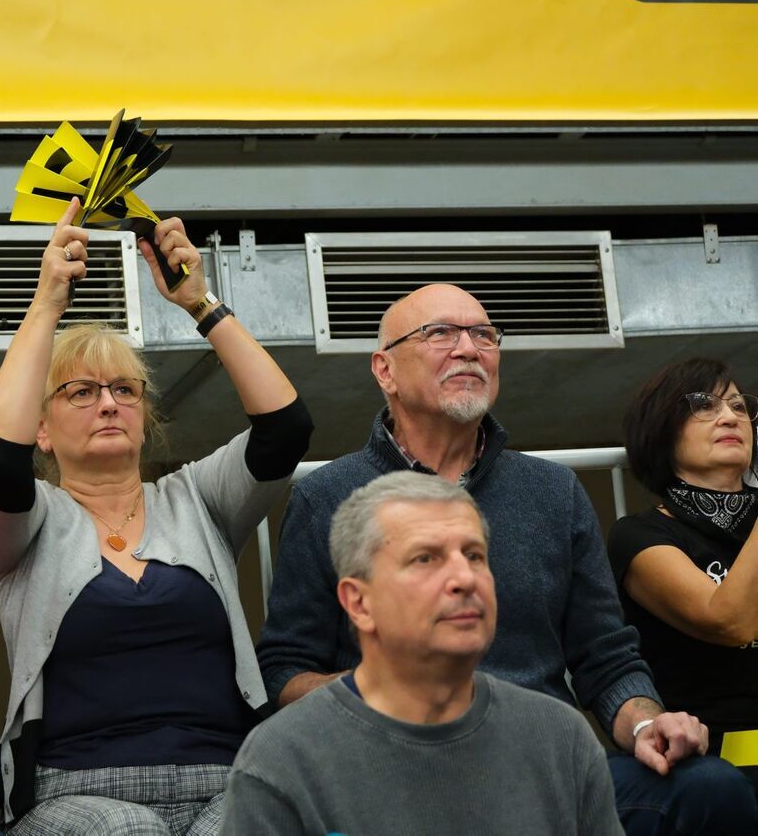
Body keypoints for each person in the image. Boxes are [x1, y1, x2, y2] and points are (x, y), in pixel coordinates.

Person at [256, 283, 757, 834]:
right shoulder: (326, 496)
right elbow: (285, 670)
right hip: (395, 768)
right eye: (440, 333)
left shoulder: (553, 491)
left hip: (543, 766)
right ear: (385, 371)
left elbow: (606, 657)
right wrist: (384, 693)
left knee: (711, 789)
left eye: (484, 335)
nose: (469, 349)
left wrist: (646, 724)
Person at [0, 198, 312, 835]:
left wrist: (198, 303)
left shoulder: (197, 500)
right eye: (81, 391)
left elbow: (286, 429)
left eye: (124, 390)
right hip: (75, 797)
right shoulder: (30, 521)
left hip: (227, 780)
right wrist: (47, 303)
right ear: (41, 430)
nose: (108, 403)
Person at [222, 472, 624, 835]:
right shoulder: (281, 762)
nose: (464, 579)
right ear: (359, 603)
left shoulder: (561, 740)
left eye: (474, 556)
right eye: (425, 558)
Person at [610, 358, 758, 792]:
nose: (730, 416)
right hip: (721, 762)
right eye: (705, 405)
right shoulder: (639, 534)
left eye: (738, 406)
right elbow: (728, 621)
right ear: (661, 428)